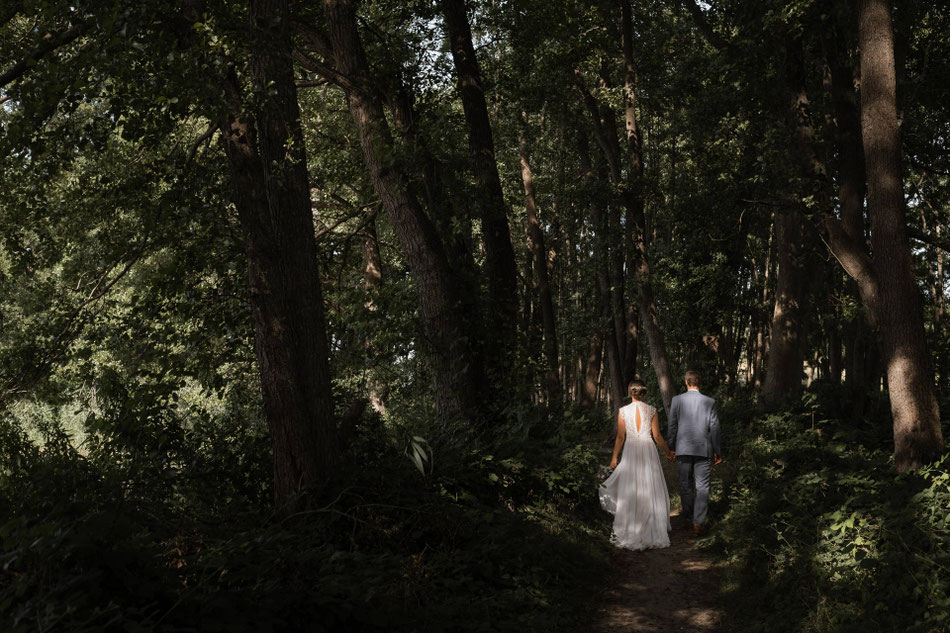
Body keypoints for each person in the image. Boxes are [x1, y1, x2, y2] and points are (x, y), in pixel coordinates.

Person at [599, 379, 675, 551]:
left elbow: (620, 437)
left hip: (631, 449)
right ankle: (651, 528)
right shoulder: (652, 410)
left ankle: (633, 528)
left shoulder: (623, 411)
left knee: (631, 487)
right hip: (648, 449)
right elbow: (657, 437)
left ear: (629, 392)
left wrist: (614, 458)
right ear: (644, 392)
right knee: (649, 485)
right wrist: (668, 451)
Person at [667, 370, 722, 535]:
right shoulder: (709, 401)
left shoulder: (677, 400)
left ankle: (688, 518)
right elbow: (715, 428)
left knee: (686, 484)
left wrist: (671, 447)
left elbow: (672, 425)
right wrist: (717, 450)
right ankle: (698, 522)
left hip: (683, 448)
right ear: (700, 382)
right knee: (702, 486)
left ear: (686, 382)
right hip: (703, 449)